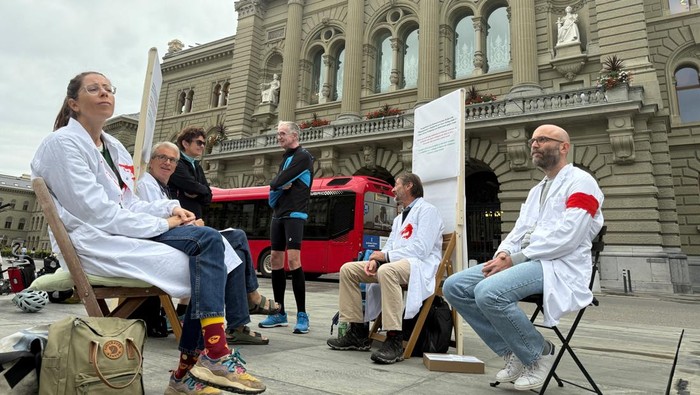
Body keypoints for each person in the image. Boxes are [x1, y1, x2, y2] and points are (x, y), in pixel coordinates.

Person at [32, 71, 265, 394]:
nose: (104, 93)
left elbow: (128, 203)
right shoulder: (61, 144)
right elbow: (96, 212)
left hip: (122, 233)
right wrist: (162, 223)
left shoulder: (113, 146)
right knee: (212, 251)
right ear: (74, 103)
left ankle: (198, 365)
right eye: (94, 89)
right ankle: (205, 360)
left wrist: (170, 210)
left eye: (109, 89)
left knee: (217, 247)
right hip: (92, 242)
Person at [442, 124, 604, 391]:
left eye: (542, 140)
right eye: (533, 141)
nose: (534, 145)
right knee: (454, 286)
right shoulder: (536, 190)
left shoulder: (582, 182)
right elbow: (519, 230)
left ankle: (539, 352)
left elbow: (570, 235)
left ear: (564, 147)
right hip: (528, 261)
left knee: (488, 292)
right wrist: (504, 253)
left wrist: (516, 259)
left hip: (560, 264)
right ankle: (514, 351)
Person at [138, 141, 279, 346]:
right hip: (162, 237)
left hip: (177, 232)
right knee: (215, 238)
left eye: (172, 160)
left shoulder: (166, 188)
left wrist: (189, 221)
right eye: (162, 158)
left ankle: (240, 321)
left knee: (237, 238)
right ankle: (247, 306)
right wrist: (189, 222)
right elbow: (152, 216)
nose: (167, 163)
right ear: (151, 161)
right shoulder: (145, 183)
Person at [327, 173, 444, 364]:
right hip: (395, 263)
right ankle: (357, 332)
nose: (393, 189)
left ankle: (394, 339)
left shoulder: (428, 211)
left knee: (386, 271)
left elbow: (421, 249)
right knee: (348, 269)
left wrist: (386, 258)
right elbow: (390, 245)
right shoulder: (399, 218)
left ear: (409, 186)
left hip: (419, 265)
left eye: (396, 185)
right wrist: (377, 259)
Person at [259, 121, 314, 334]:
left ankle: (302, 314)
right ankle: (279, 313)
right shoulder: (285, 159)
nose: (279, 137)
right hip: (278, 215)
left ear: (294, 135)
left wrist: (279, 184)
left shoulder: (303, 156)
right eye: (277, 133)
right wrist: (279, 184)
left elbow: (276, 182)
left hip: (295, 214)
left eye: (282, 133)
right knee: (275, 260)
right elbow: (274, 188)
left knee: (293, 260)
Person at [168, 126, 212, 220]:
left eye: (204, 143)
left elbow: (209, 196)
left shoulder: (197, 166)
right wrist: (201, 190)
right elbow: (191, 186)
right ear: (185, 143)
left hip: (195, 219)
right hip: (179, 219)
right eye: (199, 142)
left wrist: (199, 191)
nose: (202, 146)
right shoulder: (176, 163)